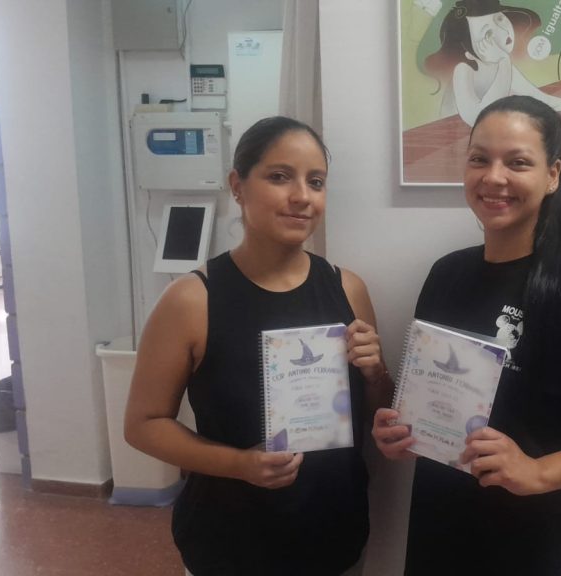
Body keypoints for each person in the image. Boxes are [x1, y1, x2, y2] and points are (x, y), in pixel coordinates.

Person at [372, 95, 561, 576]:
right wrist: (401, 432)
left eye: (517, 163)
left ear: (553, 175)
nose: (493, 177)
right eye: (479, 159)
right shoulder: (446, 275)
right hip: (443, 532)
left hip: (540, 546)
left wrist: (538, 472)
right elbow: (433, 399)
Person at [125, 117, 392, 575]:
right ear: (238, 186)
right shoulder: (192, 300)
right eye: (279, 176)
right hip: (230, 543)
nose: (302, 196)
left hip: (334, 535)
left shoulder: (347, 289)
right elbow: (143, 425)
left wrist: (375, 373)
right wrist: (239, 464)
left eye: (316, 182)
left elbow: (379, 414)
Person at [423, 0, 561, 126]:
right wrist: (503, 60)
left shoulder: (498, 63)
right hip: (451, 143)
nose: (503, 31)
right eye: (487, 34)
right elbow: (476, 117)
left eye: (499, 18)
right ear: (467, 52)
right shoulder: (463, 69)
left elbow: (536, 97)